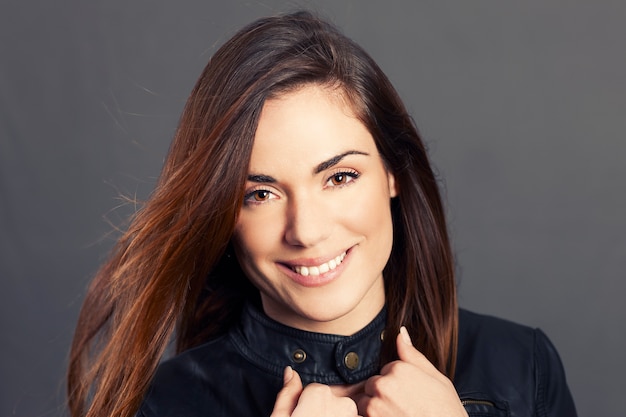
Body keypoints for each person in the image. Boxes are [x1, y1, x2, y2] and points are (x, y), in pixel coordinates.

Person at [67, 10, 577, 417]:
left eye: (339, 177)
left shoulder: (521, 368)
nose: (306, 231)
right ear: (223, 213)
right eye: (260, 194)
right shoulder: (165, 405)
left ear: (394, 173)